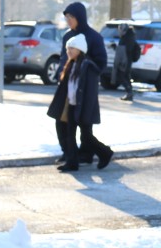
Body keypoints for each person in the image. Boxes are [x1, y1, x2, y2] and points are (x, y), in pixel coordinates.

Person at [47, 33, 113, 171]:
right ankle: (72, 162)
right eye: (67, 48)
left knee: (86, 137)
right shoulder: (71, 64)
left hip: (84, 107)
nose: (69, 51)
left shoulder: (88, 66)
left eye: (72, 48)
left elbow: (90, 92)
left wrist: (85, 110)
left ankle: (105, 153)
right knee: (70, 134)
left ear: (80, 50)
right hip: (73, 105)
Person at [56, 2, 109, 165]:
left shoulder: (94, 37)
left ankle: (87, 154)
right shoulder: (67, 36)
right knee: (62, 121)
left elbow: (101, 62)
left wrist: (86, 68)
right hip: (68, 86)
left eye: (71, 17)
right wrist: (61, 72)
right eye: (66, 18)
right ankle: (68, 153)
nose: (68, 21)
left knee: (85, 123)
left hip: (86, 88)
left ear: (79, 17)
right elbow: (63, 58)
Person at [112, 23, 139, 101]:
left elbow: (126, 49)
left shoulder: (127, 37)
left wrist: (117, 48)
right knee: (126, 76)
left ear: (124, 30)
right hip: (126, 60)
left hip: (125, 60)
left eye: (120, 29)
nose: (119, 31)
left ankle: (129, 92)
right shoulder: (128, 36)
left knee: (121, 76)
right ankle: (129, 93)